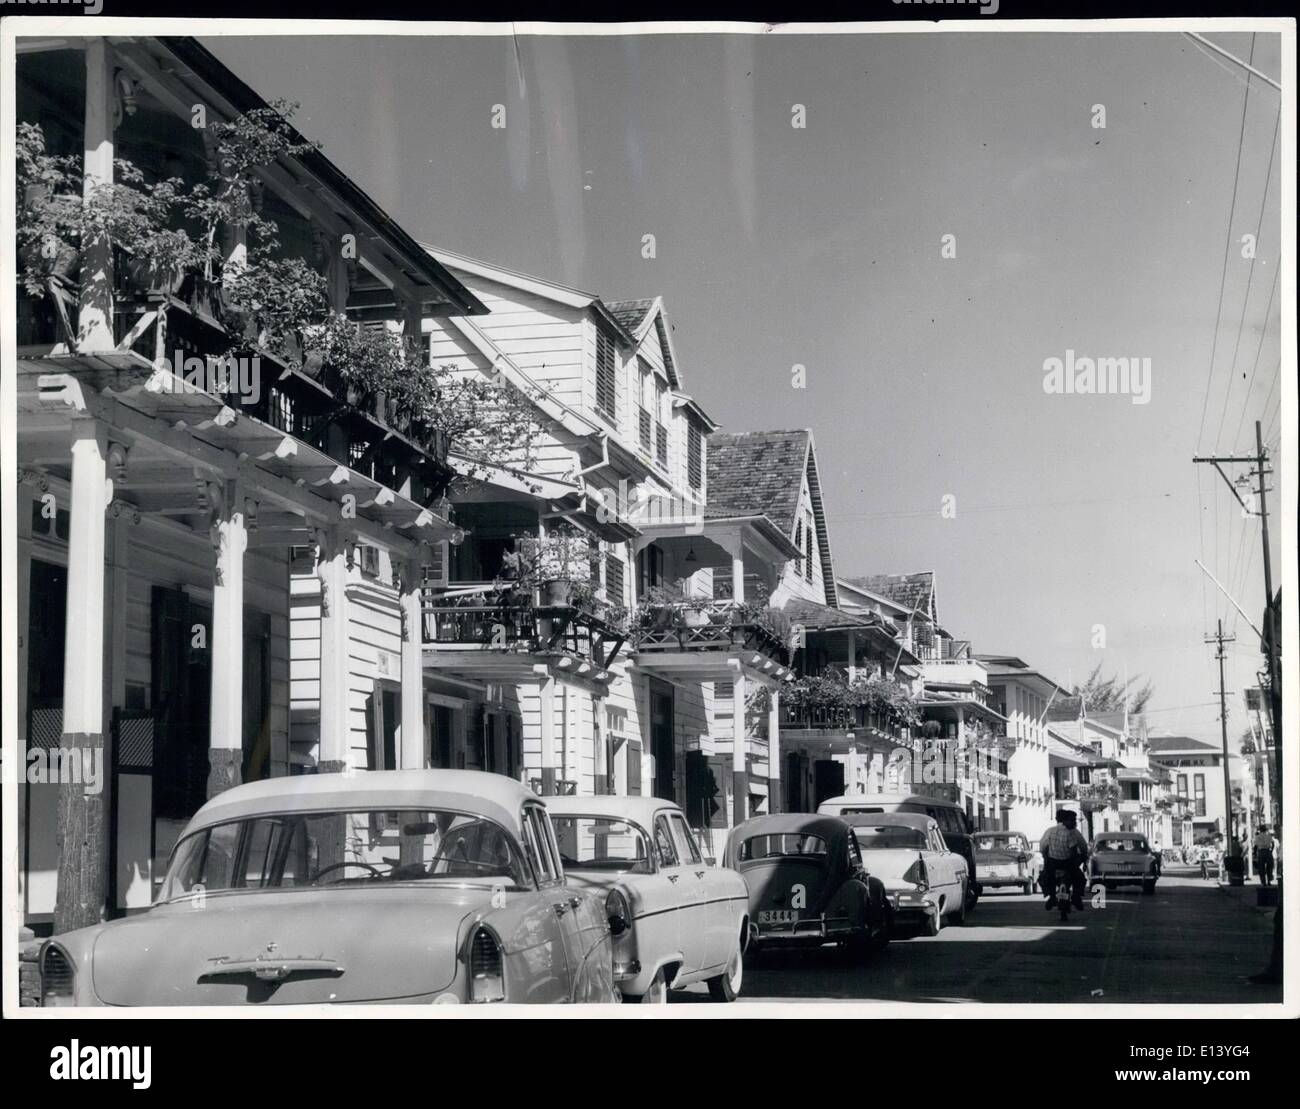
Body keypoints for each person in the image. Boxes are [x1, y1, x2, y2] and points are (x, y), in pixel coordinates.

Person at [1040, 809, 1088, 911]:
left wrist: (1046, 858)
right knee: (1080, 879)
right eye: (1073, 820)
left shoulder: (1050, 831)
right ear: (1065, 820)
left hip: (1053, 863)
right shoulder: (1072, 832)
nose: (1075, 823)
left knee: (1044, 877)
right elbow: (1080, 848)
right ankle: (1076, 897)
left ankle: (1051, 896)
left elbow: (1043, 847)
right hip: (1068, 864)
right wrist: (1082, 859)